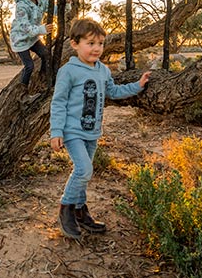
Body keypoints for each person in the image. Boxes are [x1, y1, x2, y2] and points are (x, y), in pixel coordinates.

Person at [50, 18, 151, 239]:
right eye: (90, 43)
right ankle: (65, 209)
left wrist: (138, 86)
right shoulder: (68, 71)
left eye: (100, 43)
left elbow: (113, 92)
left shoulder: (103, 70)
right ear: (75, 44)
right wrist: (56, 131)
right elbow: (58, 102)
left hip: (92, 132)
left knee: (85, 174)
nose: (97, 48)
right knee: (84, 170)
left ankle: (80, 211)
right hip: (72, 131)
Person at [10, 0, 71, 89]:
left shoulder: (41, 0)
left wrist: (66, 4)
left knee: (46, 54)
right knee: (29, 66)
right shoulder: (21, 6)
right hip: (21, 39)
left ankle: (42, 78)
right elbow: (25, 27)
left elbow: (54, 11)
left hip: (33, 38)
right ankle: (22, 89)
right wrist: (41, 30)